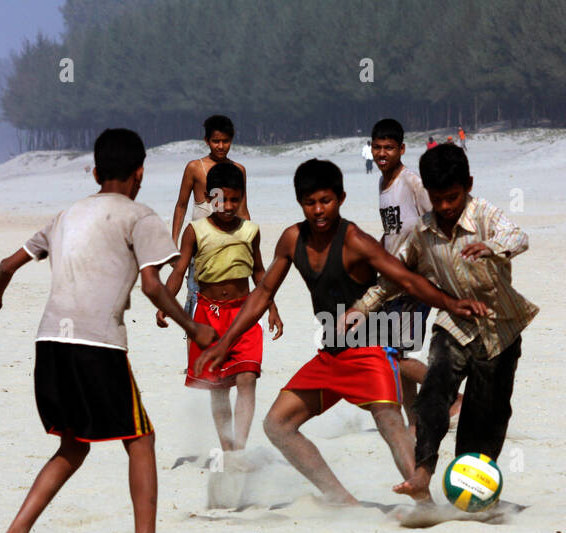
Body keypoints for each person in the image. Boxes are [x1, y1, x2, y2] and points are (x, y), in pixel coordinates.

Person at [0, 128, 214, 533]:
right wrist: (193, 326)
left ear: (96, 172)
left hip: (49, 344)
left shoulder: (64, 216)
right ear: (140, 173)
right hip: (97, 345)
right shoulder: (139, 216)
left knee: (74, 444)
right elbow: (153, 286)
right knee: (141, 440)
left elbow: (6, 265)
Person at [194, 159, 487, 505]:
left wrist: (451, 304)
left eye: (326, 201)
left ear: (341, 198)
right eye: (310, 202)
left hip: (371, 348)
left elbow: (406, 279)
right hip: (331, 352)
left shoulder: (356, 241)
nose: (318, 210)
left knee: (389, 421)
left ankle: (424, 501)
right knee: (278, 425)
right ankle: (341, 499)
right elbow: (262, 293)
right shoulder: (292, 238)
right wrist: (225, 342)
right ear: (300, 202)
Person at [347, 143, 536, 512]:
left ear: (468, 184)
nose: (446, 207)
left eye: (453, 197)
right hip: (454, 323)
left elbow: (518, 237)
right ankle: (422, 472)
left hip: (500, 330)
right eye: (438, 199)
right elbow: (395, 276)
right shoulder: (423, 231)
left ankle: (473, 485)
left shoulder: (484, 214)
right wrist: (363, 307)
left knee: (489, 413)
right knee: (433, 393)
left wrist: (492, 246)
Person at [158, 162, 282, 452]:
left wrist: (272, 307)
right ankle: (227, 447)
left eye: (234, 200)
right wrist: (166, 301)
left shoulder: (250, 231)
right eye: (221, 199)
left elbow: (260, 274)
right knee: (219, 387)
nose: (227, 206)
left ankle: (240, 446)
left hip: (245, 314)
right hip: (208, 316)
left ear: (242, 198)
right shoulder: (196, 231)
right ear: (208, 196)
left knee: (247, 377)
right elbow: (179, 271)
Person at [369, 118, 451, 429]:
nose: (382, 153)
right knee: (395, 352)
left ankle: (452, 398)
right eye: (377, 147)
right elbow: (393, 231)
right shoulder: (383, 183)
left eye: (389, 148)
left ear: (401, 149)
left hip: (415, 280)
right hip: (393, 280)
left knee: (390, 354)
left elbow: (438, 218)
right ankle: (414, 424)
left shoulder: (412, 182)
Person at [172, 115, 250, 320]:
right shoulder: (195, 168)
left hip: (228, 240)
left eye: (226, 141)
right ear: (207, 141)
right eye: (216, 141)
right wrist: (173, 242)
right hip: (199, 243)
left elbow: (242, 208)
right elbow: (181, 205)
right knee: (196, 291)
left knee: (228, 290)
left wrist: (248, 241)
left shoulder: (238, 170)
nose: (221, 146)